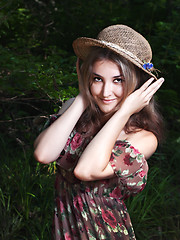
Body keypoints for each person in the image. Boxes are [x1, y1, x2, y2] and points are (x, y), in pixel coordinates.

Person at [34, 24, 164, 239]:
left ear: (139, 84)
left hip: (105, 232)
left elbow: (85, 171)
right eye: (97, 79)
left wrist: (123, 113)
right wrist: (83, 96)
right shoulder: (74, 110)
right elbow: (43, 154)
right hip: (66, 227)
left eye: (118, 80)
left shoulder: (143, 137)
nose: (105, 92)